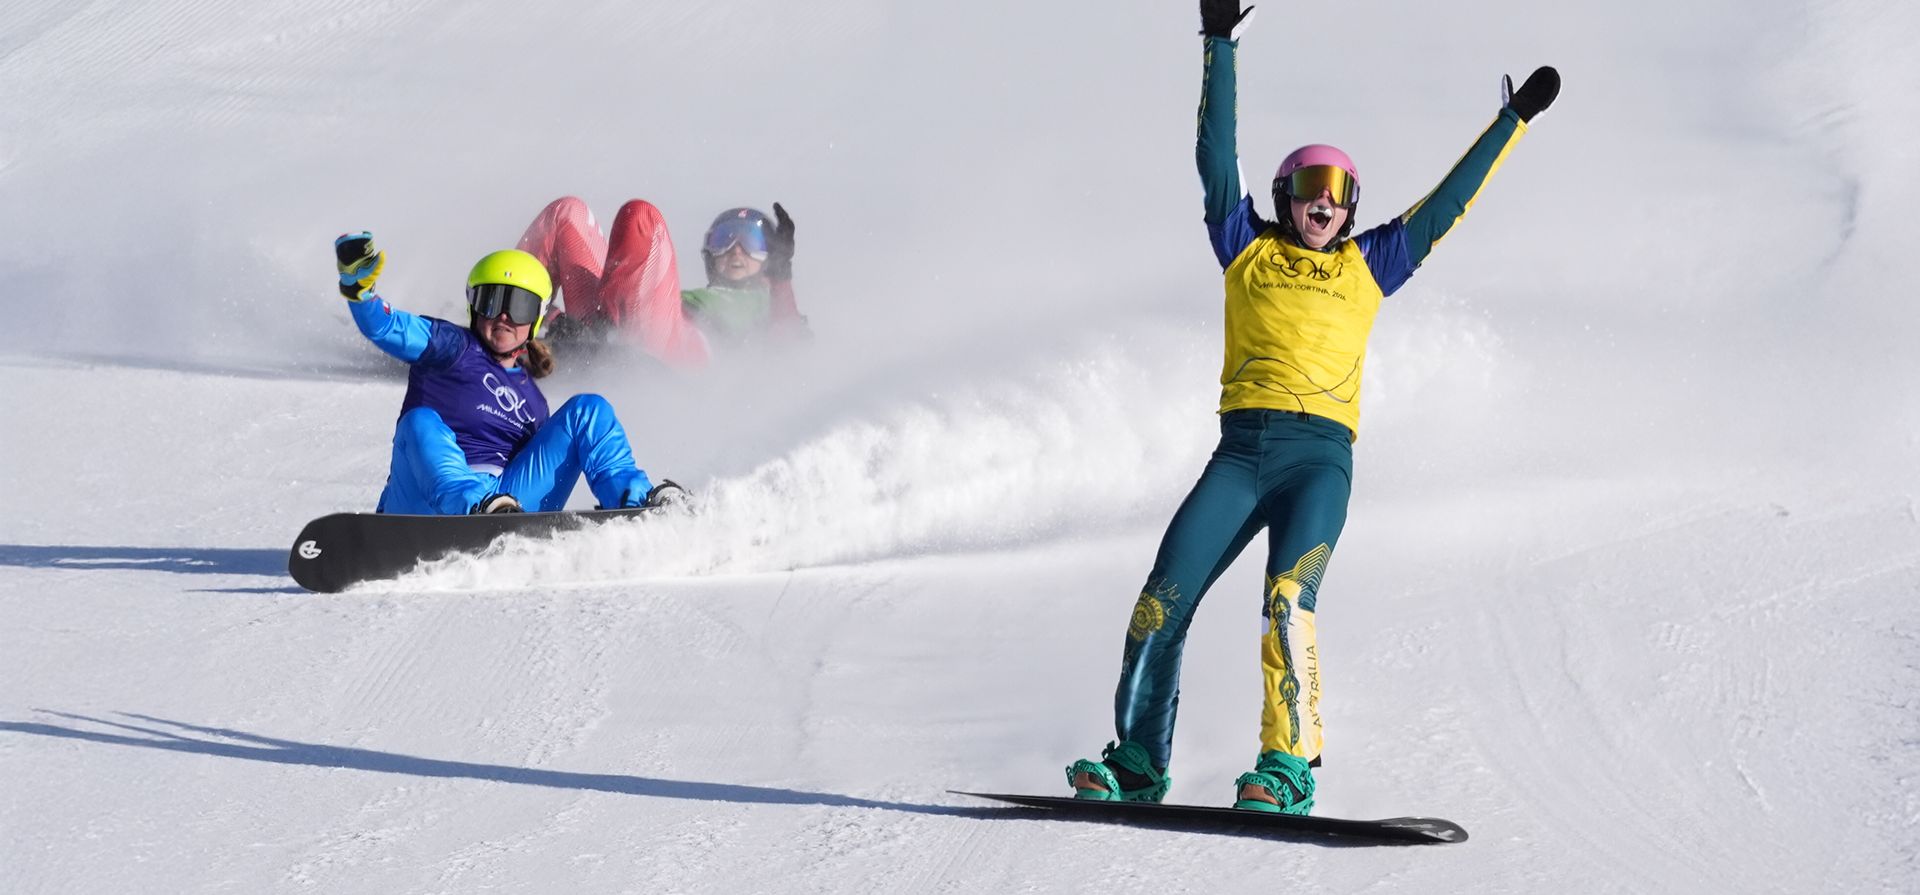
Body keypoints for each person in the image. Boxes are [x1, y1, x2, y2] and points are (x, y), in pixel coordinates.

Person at [1064, 0, 1560, 814]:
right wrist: (1220, 41)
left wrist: (1511, 120)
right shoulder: (1245, 247)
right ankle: (1140, 763)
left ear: (1353, 203)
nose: (1321, 204)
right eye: (1307, 188)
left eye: (1337, 191)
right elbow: (1212, 151)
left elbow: (1449, 201)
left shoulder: (1374, 263)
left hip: (1318, 461)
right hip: (1240, 454)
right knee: (1163, 596)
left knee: (1288, 601)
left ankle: (1285, 767)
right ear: (1284, 195)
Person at [334, 232, 685, 515]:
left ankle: (635, 505)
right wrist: (360, 293)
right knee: (419, 421)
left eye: (519, 306)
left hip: (505, 505)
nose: (503, 316)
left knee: (588, 410)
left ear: (535, 320)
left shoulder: (533, 402)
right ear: (474, 306)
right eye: (492, 301)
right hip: (421, 502)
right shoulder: (449, 345)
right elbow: (385, 327)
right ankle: (472, 508)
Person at [514, 197, 808, 369]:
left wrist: (782, 276)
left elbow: (791, 344)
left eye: (751, 242)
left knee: (641, 217)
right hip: (616, 325)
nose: (736, 251)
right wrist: (557, 320)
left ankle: (609, 333)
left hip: (670, 356)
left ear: (771, 256)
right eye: (725, 240)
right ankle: (509, 311)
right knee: (568, 212)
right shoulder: (688, 298)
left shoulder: (770, 306)